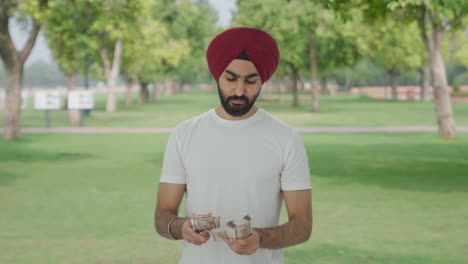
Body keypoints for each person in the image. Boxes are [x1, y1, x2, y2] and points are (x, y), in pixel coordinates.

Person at [155, 27, 312, 264]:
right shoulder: (184, 135)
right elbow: (162, 216)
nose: (239, 90)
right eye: (231, 78)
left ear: (263, 80)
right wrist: (180, 227)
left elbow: (302, 226)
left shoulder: (286, 139)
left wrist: (259, 238)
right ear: (217, 75)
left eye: (251, 81)